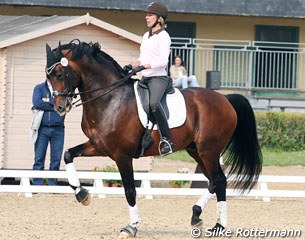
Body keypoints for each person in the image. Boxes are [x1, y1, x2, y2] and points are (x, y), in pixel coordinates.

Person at [123, 2, 173, 155]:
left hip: (158, 78)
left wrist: (144, 66)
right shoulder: (146, 35)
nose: (147, 17)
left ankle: (166, 140)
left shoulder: (164, 37)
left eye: (150, 14)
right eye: (147, 14)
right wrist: (130, 66)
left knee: (154, 104)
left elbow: (163, 61)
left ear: (159, 18)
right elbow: (141, 58)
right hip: (145, 78)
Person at [31, 77, 65, 185]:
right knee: (39, 158)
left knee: (56, 160)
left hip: (58, 129)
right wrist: (55, 105)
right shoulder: (39, 88)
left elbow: (63, 105)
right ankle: (37, 184)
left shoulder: (62, 89)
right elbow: (37, 103)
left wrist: (46, 101)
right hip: (42, 128)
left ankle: (52, 185)